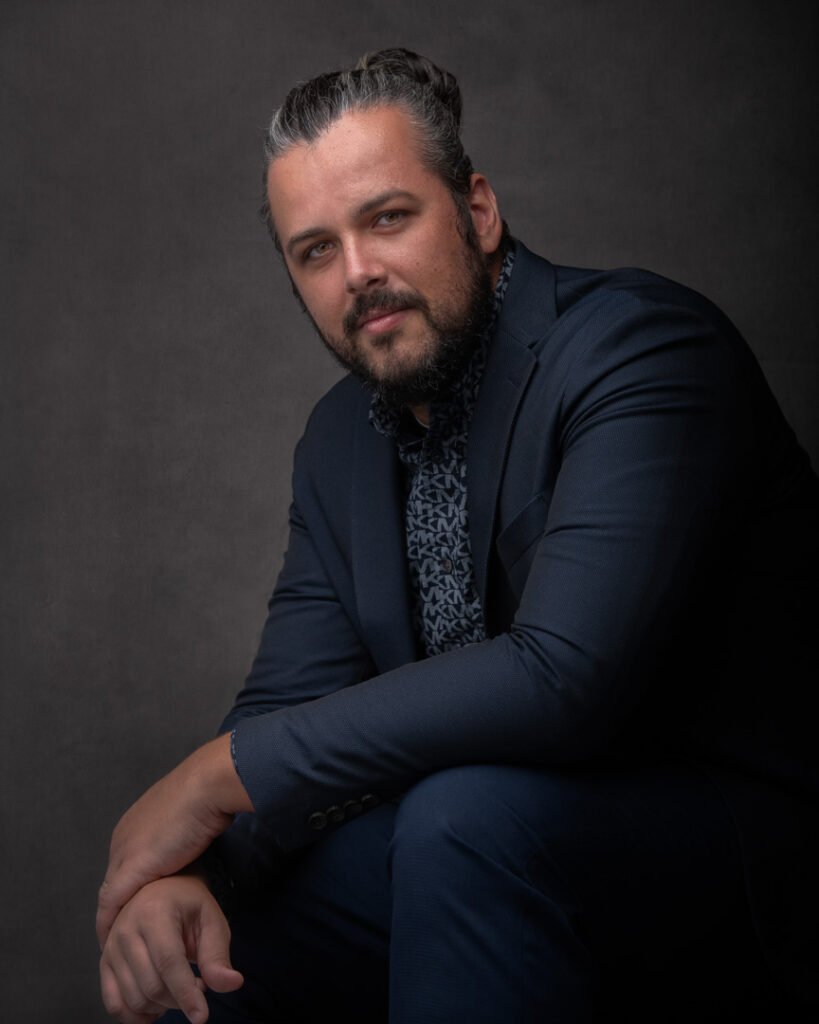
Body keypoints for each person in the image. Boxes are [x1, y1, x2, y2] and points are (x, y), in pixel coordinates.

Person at [97, 48, 819, 1024]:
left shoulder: (641, 349)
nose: (359, 272)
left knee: (460, 817)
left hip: (749, 865)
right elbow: (288, 704)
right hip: (495, 851)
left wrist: (212, 776)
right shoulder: (338, 443)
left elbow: (564, 681)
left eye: (387, 218)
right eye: (316, 250)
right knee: (217, 940)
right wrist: (194, 873)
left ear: (477, 212)